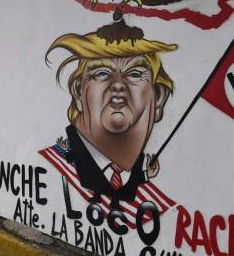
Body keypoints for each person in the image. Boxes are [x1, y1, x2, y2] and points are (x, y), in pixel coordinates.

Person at [40, 14, 177, 213]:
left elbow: (135, 181)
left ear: (158, 98)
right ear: (78, 92)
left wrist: (147, 174)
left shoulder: (138, 164)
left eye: (135, 74)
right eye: (102, 73)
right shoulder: (65, 156)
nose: (118, 85)